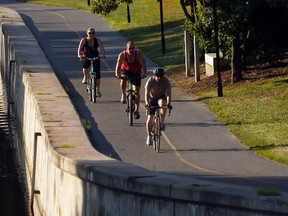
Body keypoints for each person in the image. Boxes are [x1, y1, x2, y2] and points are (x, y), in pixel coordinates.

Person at [115, 41, 147, 119]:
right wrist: (117, 74)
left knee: (136, 91)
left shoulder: (138, 53)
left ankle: (136, 110)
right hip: (126, 70)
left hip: (136, 71)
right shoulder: (122, 55)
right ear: (126, 48)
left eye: (133, 48)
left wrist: (144, 73)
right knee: (123, 79)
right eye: (130, 48)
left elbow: (144, 64)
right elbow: (118, 65)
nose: (131, 50)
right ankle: (123, 94)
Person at [145, 67, 172, 146]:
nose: (159, 78)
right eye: (157, 76)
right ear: (154, 75)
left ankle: (162, 122)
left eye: (161, 76)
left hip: (161, 97)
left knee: (163, 104)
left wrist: (169, 104)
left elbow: (168, 95)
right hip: (152, 98)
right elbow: (146, 94)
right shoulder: (150, 81)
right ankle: (149, 136)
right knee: (150, 119)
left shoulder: (166, 81)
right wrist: (147, 104)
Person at [78, 27, 106, 97]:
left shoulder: (97, 40)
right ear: (87, 33)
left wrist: (103, 55)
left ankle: (97, 90)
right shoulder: (84, 40)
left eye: (92, 33)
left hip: (95, 57)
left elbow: (102, 48)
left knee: (97, 75)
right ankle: (85, 77)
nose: (91, 34)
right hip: (87, 56)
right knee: (85, 65)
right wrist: (80, 55)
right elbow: (80, 48)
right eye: (89, 33)